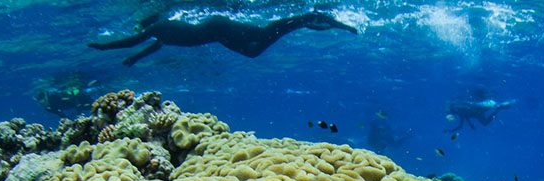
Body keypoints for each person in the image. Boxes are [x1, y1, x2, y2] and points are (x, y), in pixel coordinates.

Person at [89, 11, 358, 66]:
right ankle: (305, 22)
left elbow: (131, 41)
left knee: (263, 36)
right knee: (259, 43)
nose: (139, 30)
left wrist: (102, 47)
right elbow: (148, 48)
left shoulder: (156, 27)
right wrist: (133, 60)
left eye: (139, 26)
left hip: (219, 29)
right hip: (218, 31)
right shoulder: (160, 32)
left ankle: (305, 18)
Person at [445, 93, 515, 131]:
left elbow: (465, 115)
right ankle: (499, 108)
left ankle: (499, 107)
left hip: (478, 110)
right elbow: (464, 118)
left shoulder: (458, 109)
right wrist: (471, 125)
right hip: (477, 111)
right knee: (485, 122)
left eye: (449, 113)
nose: (451, 115)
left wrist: (470, 124)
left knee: (486, 120)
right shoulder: (459, 112)